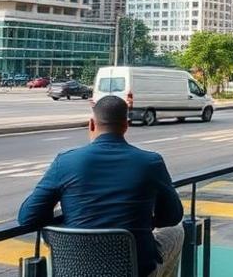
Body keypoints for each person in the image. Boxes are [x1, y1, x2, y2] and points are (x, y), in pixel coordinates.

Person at [18, 96, 184, 277]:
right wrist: (147, 223)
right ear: (126, 126)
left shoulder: (65, 162)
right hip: (135, 270)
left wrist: (66, 222)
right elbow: (173, 216)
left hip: (77, 269)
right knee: (177, 231)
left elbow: (27, 217)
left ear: (91, 124)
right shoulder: (151, 162)